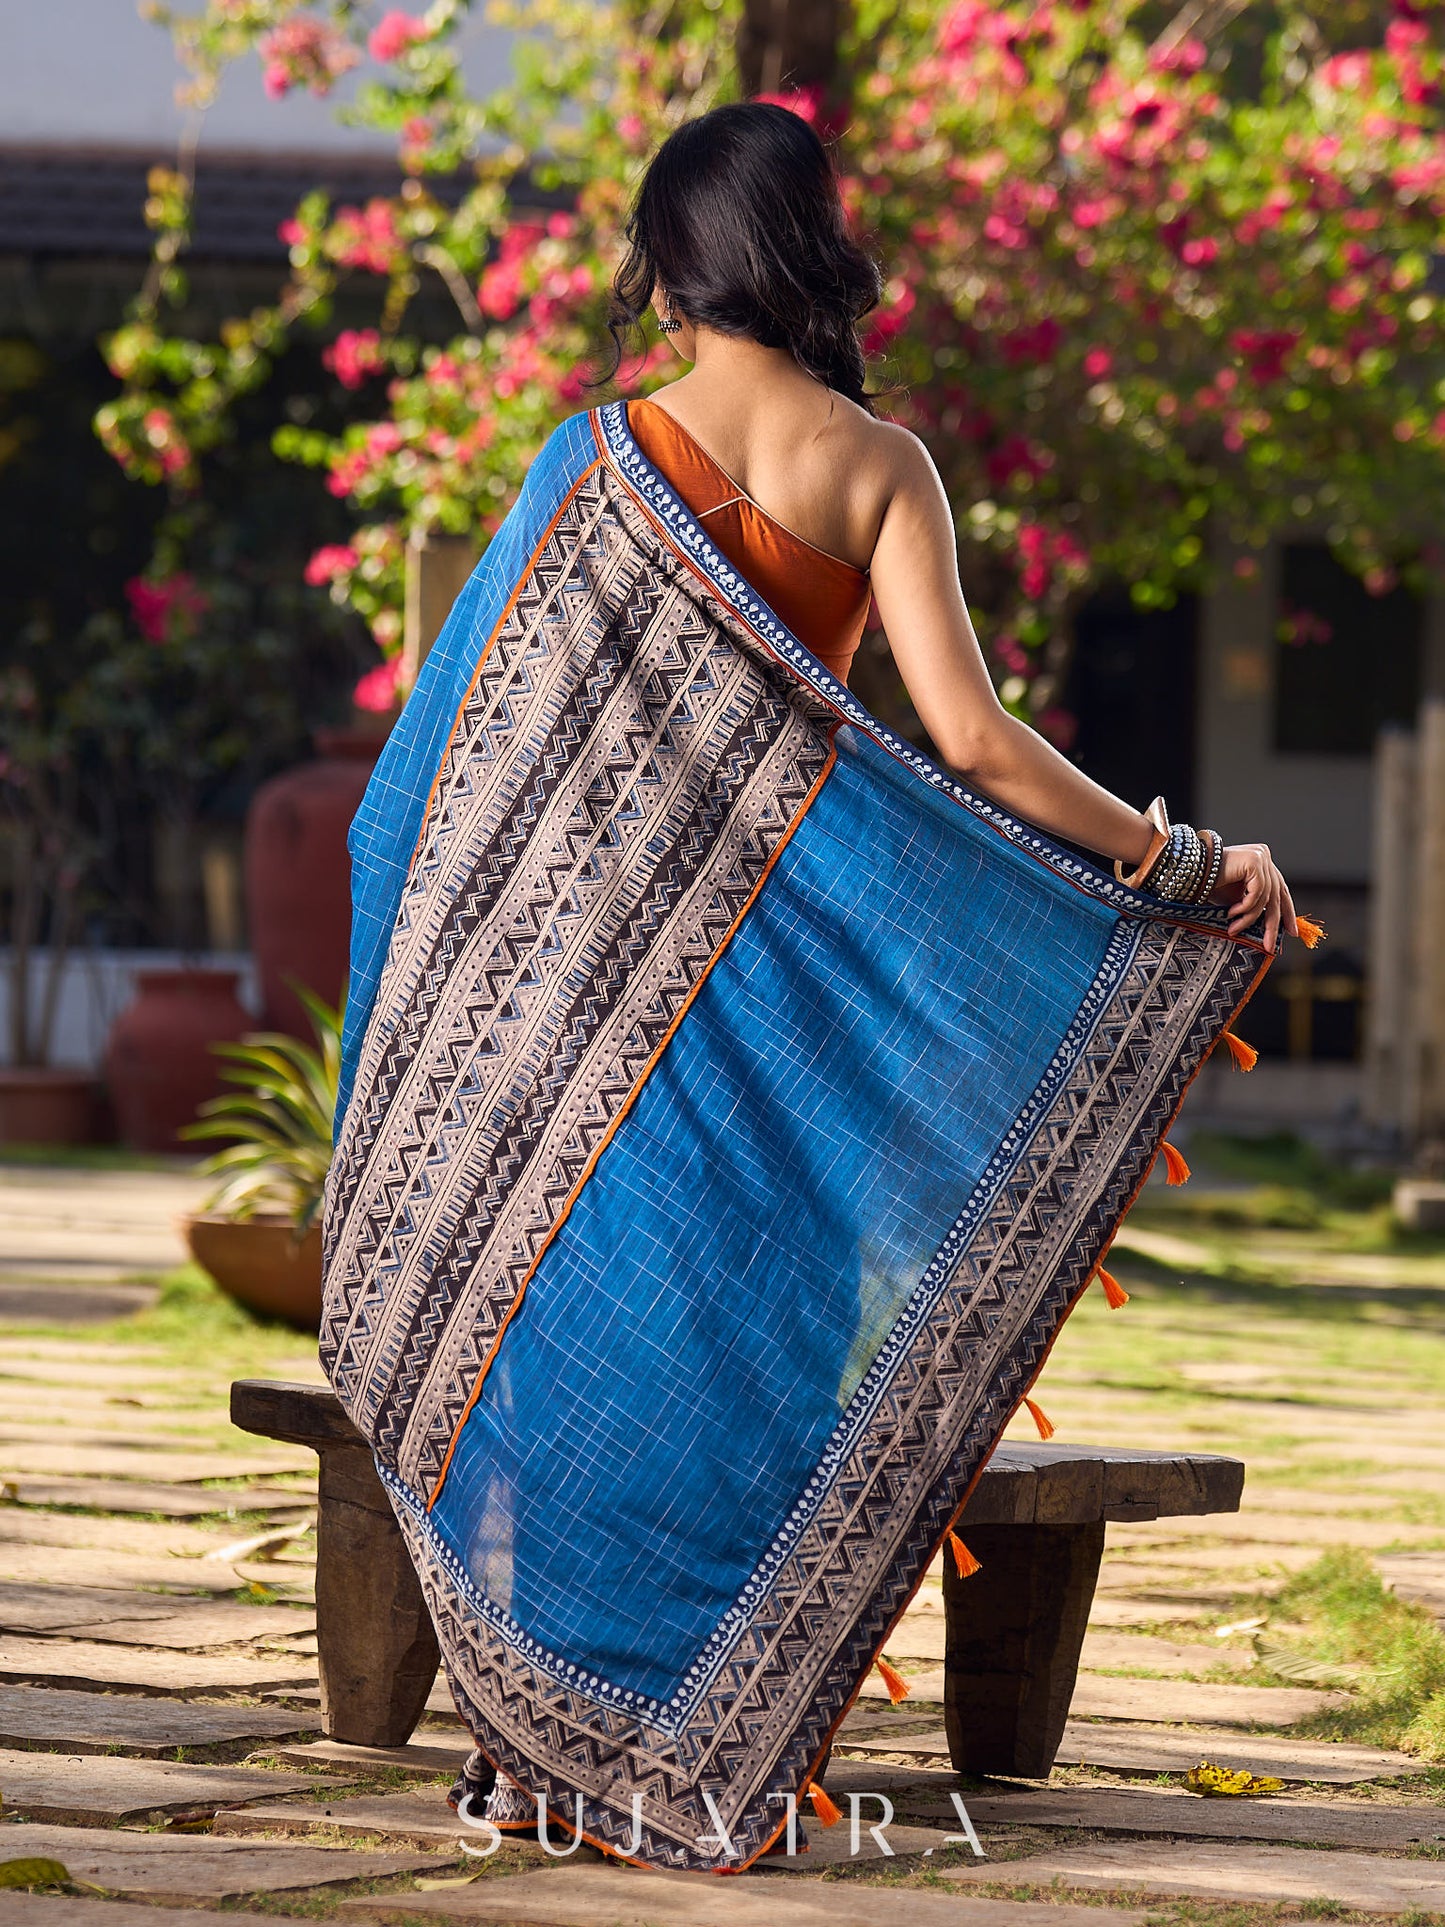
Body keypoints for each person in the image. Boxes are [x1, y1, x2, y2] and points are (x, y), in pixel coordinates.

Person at [323, 100, 1298, 1876]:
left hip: (578, 1021)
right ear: (809, 244)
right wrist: (1167, 863)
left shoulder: (588, 458)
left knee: (561, 1366)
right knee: (737, 1351)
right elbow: (981, 750)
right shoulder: (877, 464)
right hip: (770, 1027)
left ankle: (537, 1763)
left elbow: (440, 797)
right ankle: (691, 1753)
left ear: (667, 259)